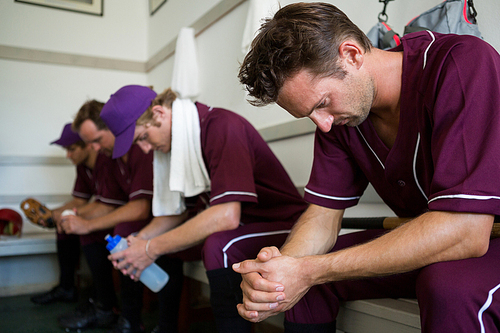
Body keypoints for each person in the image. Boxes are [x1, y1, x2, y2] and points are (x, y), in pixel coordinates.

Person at [234, 2, 500, 333]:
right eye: (310, 115)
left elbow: (467, 233)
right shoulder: (342, 120)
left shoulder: (460, 63)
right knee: (305, 282)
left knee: (448, 288)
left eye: (322, 104)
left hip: (485, 236)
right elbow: (321, 217)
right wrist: (284, 271)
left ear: (352, 54)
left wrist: (311, 270)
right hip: (435, 237)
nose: (324, 124)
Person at [103, 85, 308, 333]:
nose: (145, 149)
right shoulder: (179, 140)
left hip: (285, 223)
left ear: (159, 113)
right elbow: (176, 213)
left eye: (143, 138)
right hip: (244, 224)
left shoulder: (221, 126)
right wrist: (141, 242)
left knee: (218, 245)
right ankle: (166, 328)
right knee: (163, 242)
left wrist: (150, 248)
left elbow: (225, 216)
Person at [58, 100, 154, 333]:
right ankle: (105, 306)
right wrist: (80, 222)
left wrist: (86, 223)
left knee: (120, 232)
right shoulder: (111, 155)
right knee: (90, 234)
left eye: (96, 140)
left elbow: (140, 208)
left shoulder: (139, 147)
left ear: (112, 129)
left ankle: (131, 320)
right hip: (133, 217)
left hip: (156, 219)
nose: (93, 147)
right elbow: (108, 203)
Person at [30, 123, 93, 305]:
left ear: (87, 144)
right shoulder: (82, 166)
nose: (68, 155)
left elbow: (106, 204)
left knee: (78, 228)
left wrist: (64, 214)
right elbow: (79, 200)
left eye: (72, 149)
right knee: (63, 226)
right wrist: (52, 214)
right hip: (98, 211)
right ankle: (66, 288)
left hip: (114, 216)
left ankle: (101, 302)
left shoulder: (105, 160)